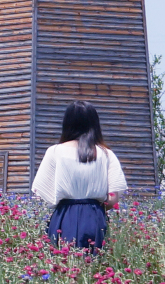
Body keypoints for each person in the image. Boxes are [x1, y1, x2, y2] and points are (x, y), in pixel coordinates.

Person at [31, 100, 127, 252]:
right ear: (95, 124)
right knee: (95, 267)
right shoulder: (106, 154)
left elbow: (43, 191)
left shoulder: (55, 151)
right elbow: (113, 198)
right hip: (94, 216)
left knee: (62, 265)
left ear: (67, 123)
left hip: (64, 215)